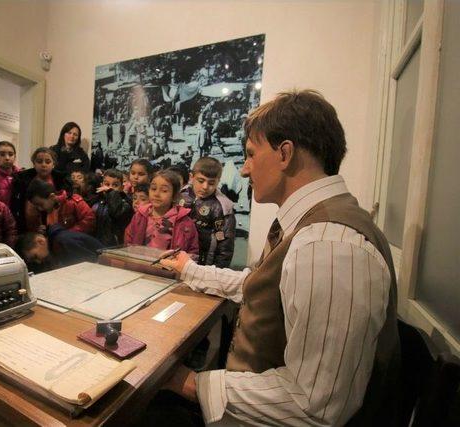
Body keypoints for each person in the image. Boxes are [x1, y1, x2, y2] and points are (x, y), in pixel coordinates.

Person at [156, 90, 399, 426]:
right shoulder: (309, 227)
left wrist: (191, 383)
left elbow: (314, 403)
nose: (244, 170)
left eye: (252, 154)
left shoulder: (325, 244)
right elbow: (264, 287)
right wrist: (190, 270)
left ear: (285, 153)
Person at [124, 170, 199, 256]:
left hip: (168, 267)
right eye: (153, 188)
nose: (156, 194)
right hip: (140, 264)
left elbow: (192, 251)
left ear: (174, 196)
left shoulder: (184, 222)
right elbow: (128, 240)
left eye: (164, 190)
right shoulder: (139, 215)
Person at [180, 157, 236, 268]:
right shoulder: (181, 194)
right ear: (192, 177)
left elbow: (225, 247)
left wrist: (217, 272)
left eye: (211, 183)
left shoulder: (223, 207)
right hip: (179, 257)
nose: (205, 187)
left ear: (218, 182)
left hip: (204, 264)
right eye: (201, 181)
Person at [11, 147, 68, 233]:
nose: (43, 165)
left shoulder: (62, 180)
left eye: (48, 162)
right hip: (29, 226)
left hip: (54, 227)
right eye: (39, 161)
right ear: (34, 163)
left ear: (53, 164)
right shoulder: (23, 179)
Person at [16, 225, 104, 274]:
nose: (38, 261)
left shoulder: (63, 242)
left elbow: (89, 267)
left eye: (35, 256)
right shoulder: (53, 246)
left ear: (40, 241)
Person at [26, 179, 95, 235]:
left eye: (40, 204)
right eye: (36, 206)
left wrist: (67, 234)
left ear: (52, 197)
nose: (39, 208)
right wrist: (47, 231)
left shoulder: (73, 202)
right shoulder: (48, 210)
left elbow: (90, 220)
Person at [92, 169, 133, 247]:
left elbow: (116, 213)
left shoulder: (125, 203)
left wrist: (111, 193)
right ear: (101, 185)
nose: (110, 188)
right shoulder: (97, 201)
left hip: (114, 246)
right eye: (107, 184)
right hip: (96, 243)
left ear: (122, 187)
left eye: (115, 185)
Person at [0, 141, 20, 206]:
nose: (7, 158)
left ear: (15, 157)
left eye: (11, 154)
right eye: (2, 154)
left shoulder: (21, 174)